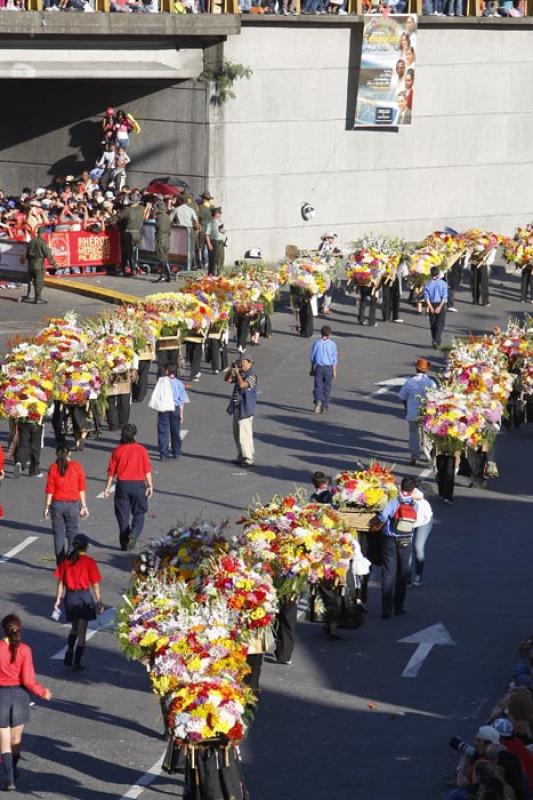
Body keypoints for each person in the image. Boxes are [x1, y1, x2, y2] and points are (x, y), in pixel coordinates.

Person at [0, 614, 52, 792]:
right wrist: (42, 692)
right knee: (16, 740)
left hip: (1, 697)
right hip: (20, 697)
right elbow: (28, 680)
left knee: (4, 742)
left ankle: (9, 779)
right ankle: (13, 770)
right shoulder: (25, 650)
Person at [53, 534, 103, 672]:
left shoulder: (66, 561)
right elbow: (95, 584)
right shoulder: (89, 562)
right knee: (82, 633)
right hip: (84, 598)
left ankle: (69, 648)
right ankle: (77, 662)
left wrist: (58, 600)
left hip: (70, 597)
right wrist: (99, 601)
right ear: (85, 547)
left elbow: (60, 583)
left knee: (74, 627)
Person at [372, 477, 418, 619]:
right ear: (412, 490)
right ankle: (399, 607)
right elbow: (415, 522)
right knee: (402, 575)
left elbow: (383, 518)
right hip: (406, 542)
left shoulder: (394, 502)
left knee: (388, 574)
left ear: (400, 488)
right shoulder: (415, 505)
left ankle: (386, 609)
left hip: (390, 541)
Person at [104, 424, 153, 551]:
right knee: (139, 512)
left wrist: (107, 488)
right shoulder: (141, 450)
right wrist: (150, 485)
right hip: (138, 485)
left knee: (122, 515)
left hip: (122, 486)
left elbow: (111, 472)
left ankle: (124, 541)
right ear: (135, 436)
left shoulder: (117, 450)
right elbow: (147, 470)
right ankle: (134, 533)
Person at [44, 446, 89, 564]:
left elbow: (50, 490)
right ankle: (71, 558)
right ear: (69, 453)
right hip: (72, 505)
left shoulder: (53, 468)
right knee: (72, 532)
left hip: (57, 505)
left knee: (58, 534)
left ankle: (60, 562)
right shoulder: (77, 467)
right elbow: (81, 489)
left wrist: (47, 507)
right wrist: (83, 506)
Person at [398, 358, 436, 465]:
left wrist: (406, 408)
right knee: (428, 435)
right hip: (427, 413)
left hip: (413, 413)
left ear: (416, 368)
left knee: (413, 434)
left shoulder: (409, 382)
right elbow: (435, 398)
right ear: (427, 369)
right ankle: (429, 457)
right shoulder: (431, 383)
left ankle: (414, 457)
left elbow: (402, 397)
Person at [225, 357, 257, 468]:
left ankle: (248, 458)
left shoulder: (252, 376)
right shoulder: (241, 373)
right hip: (237, 408)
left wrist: (238, 373)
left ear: (250, 363)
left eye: (244, 362)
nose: (242, 364)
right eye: (241, 361)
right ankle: (241, 456)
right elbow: (227, 380)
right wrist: (231, 369)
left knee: (245, 435)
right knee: (237, 434)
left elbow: (243, 385)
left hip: (246, 409)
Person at [155, 367, 186, 461]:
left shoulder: (162, 382)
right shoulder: (179, 383)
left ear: (167, 371)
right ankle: (176, 451)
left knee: (163, 431)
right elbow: (181, 401)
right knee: (175, 431)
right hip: (175, 408)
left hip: (164, 407)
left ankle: (163, 454)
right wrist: (181, 414)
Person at [22, 227, 58, 304]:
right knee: (39, 281)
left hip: (30, 264)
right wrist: (54, 264)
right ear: (43, 233)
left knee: (31, 281)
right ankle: (38, 298)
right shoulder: (42, 242)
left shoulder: (31, 241)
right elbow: (47, 253)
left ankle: (29, 296)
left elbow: (26, 253)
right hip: (39, 264)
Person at [310, 325, 338, 415]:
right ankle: (325, 405)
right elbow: (334, 359)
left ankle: (318, 400)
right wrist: (334, 371)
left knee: (318, 385)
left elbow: (313, 357)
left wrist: (312, 369)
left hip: (319, 367)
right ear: (329, 334)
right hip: (328, 368)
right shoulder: (332, 344)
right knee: (327, 387)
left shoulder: (317, 343)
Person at [410, 487, 433, 586]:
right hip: (408, 521)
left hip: (424, 521)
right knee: (405, 547)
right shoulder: (397, 496)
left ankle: (418, 574)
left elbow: (429, 492)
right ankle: (406, 576)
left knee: (418, 547)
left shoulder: (418, 494)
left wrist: (420, 495)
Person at [118, 191, 144, 276]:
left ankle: (131, 270)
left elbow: (118, 217)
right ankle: (133, 269)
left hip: (128, 233)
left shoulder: (127, 210)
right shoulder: (141, 209)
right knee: (132, 252)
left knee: (127, 253)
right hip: (138, 233)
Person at [424, 266, 448, 348]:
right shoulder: (443, 283)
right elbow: (444, 297)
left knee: (433, 324)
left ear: (431, 274)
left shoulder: (427, 284)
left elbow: (426, 297)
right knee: (440, 324)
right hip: (440, 304)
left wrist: (430, 307)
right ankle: (436, 340)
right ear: (438, 274)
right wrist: (440, 307)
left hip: (431, 303)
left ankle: (436, 340)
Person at [153, 201, 172, 283]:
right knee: (165, 257)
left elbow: (157, 226)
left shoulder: (158, 217)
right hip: (167, 238)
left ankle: (165, 275)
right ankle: (166, 275)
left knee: (161, 258)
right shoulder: (168, 217)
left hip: (160, 238)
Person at [205, 207, 225, 276]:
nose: (220, 215)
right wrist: (209, 244)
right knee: (213, 260)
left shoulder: (220, 222)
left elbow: (222, 231)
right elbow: (207, 235)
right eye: (219, 213)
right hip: (213, 242)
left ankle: (219, 274)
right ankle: (211, 274)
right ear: (215, 214)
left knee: (220, 259)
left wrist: (223, 231)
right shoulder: (210, 223)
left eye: (220, 213)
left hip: (220, 243)